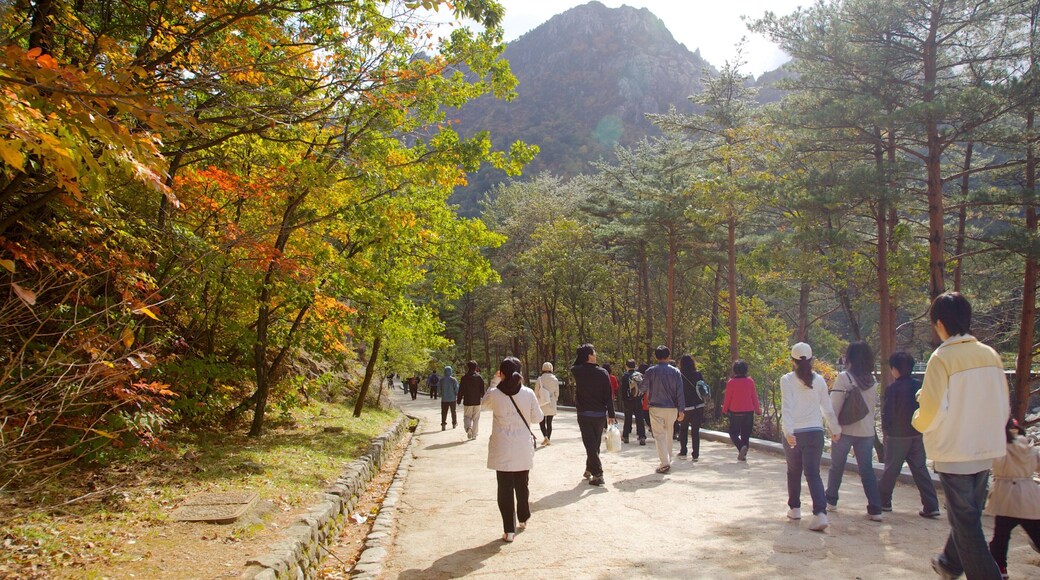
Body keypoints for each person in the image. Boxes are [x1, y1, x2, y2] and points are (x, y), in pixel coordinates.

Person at [912, 292, 1010, 579]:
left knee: (966, 525)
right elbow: (1001, 404)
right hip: (985, 450)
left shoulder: (942, 358)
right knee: (968, 517)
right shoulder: (990, 354)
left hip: (955, 452)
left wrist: (917, 420)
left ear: (939, 323)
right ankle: (949, 563)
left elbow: (931, 412)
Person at [781, 342, 841, 532]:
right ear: (812, 360)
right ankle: (820, 513)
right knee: (813, 473)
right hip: (815, 433)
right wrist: (835, 429)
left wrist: (788, 431)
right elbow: (827, 409)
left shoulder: (787, 380)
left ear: (793, 361)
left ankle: (795, 508)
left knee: (793, 471)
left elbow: (787, 407)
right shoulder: (820, 380)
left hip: (796, 433)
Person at [482, 357, 543, 542]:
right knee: (522, 484)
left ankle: (509, 530)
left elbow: (483, 404)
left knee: (505, 489)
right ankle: (523, 518)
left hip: (502, 447)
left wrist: (494, 381)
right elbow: (537, 418)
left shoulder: (494, 393)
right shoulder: (528, 393)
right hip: (522, 447)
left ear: (501, 373)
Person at [825, 341, 884, 521]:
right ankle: (875, 508)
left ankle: (831, 500)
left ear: (849, 357)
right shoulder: (872, 380)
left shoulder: (844, 378)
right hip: (866, 432)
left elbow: (833, 407)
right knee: (866, 469)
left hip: (845, 430)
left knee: (837, 467)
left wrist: (833, 429)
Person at [878, 351, 940, 518]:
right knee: (920, 470)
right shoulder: (918, 386)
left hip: (897, 436)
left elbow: (887, 412)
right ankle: (931, 505)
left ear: (895, 369)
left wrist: (887, 429)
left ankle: (884, 502)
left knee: (891, 470)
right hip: (916, 434)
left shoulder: (892, 388)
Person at [987, 418, 1040, 579]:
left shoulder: (998, 447)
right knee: (1037, 532)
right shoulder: (1029, 447)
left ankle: (1000, 569)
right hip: (1028, 495)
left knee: (1000, 537)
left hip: (1006, 496)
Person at [571, 344, 617, 486]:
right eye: (594, 352)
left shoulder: (577, 371)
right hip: (599, 415)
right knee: (593, 444)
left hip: (584, 414)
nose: (596, 354)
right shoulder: (602, 372)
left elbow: (575, 364)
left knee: (591, 444)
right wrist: (611, 413)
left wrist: (581, 357)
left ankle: (596, 472)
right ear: (589, 356)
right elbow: (608, 395)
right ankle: (593, 470)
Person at [641, 345, 685, 474]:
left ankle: (664, 462)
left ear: (656, 357)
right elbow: (680, 392)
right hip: (672, 408)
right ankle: (668, 459)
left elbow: (643, 388)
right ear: (668, 356)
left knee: (659, 435)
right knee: (668, 433)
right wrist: (681, 410)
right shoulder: (675, 371)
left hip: (655, 407)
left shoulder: (650, 371)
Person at [722, 359, 761, 461]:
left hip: (735, 412)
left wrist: (724, 410)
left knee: (733, 433)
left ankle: (740, 448)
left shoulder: (731, 382)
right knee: (745, 435)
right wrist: (758, 410)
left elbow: (728, 398)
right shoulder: (750, 381)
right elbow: (754, 397)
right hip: (749, 412)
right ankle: (743, 454)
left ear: (734, 370)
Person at [678, 355, 708, 461]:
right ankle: (696, 454)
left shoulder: (680, 375)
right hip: (699, 405)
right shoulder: (698, 374)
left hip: (686, 406)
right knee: (696, 431)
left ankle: (683, 451)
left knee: (683, 429)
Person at [620, 359, 646, 445]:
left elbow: (623, 390)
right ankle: (642, 436)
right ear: (635, 366)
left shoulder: (625, 376)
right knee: (640, 418)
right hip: (638, 400)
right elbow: (643, 388)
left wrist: (624, 400)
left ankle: (626, 436)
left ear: (626, 366)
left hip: (628, 401)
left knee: (628, 418)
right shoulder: (639, 375)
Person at [534, 362, 560, 446]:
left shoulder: (540, 379)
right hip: (551, 402)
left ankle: (545, 437)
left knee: (541, 421)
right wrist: (554, 399)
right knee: (549, 422)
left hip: (541, 402)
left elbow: (536, 391)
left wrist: (537, 400)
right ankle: (548, 438)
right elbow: (557, 392)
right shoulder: (555, 379)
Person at [458, 361, 486, 440]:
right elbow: (482, 390)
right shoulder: (479, 377)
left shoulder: (464, 378)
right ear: (476, 367)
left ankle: (468, 428)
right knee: (476, 418)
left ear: (468, 367)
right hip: (477, 401)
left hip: (468, 401)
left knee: (467, 416)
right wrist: (484, 399)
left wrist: (459, 399)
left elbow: (461, 390)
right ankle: (474, 434)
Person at [439, 366, 459, 431]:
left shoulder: (441, 380)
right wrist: (456, 394)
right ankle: (454, 423)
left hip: (444, 399)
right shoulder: (453, 380)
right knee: (453, 412)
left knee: (444, 412)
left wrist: (441, 394)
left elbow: (439, 389)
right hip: (452, 399)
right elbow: (456, 389)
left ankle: (443, 425)